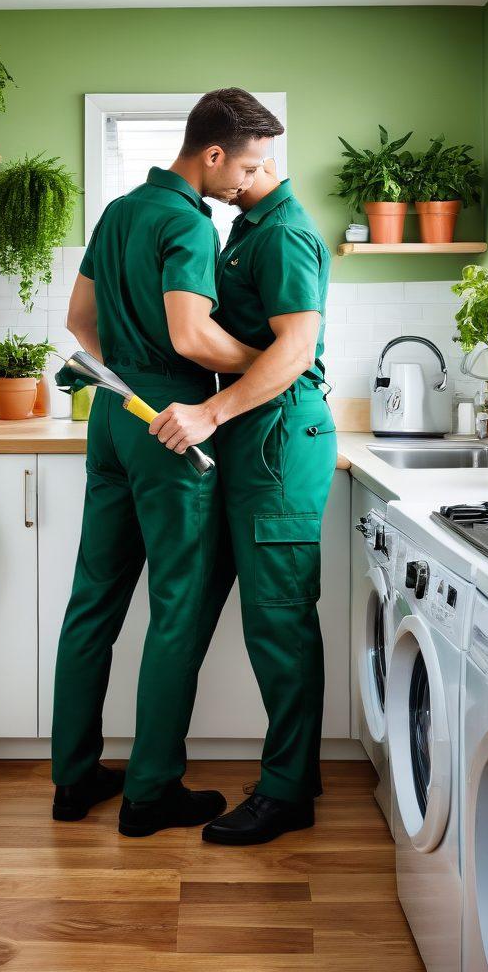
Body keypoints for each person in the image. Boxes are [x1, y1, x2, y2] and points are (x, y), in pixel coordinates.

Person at [50, 88, 283, 837]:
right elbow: (190, 336)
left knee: (94, 600)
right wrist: (268, 361)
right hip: (172, 424)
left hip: (114, 414)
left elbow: (78, 323)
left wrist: (130, 373)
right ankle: (150, 793)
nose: (247, 180)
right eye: (244, 164)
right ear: (212, 154)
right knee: (177, 607)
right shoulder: (185, 220)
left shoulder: (119, 211)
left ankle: (74, 778)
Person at [149, 156, 335, 845]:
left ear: (255, 159)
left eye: (218, 165)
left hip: (276, 440)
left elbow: (295, 351)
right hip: (251, 438)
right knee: (239, 611)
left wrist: (211, 414)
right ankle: (297, 772)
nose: (203, 183)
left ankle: (286, 794)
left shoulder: (282, 233)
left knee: (279, 623)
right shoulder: (247, 229)